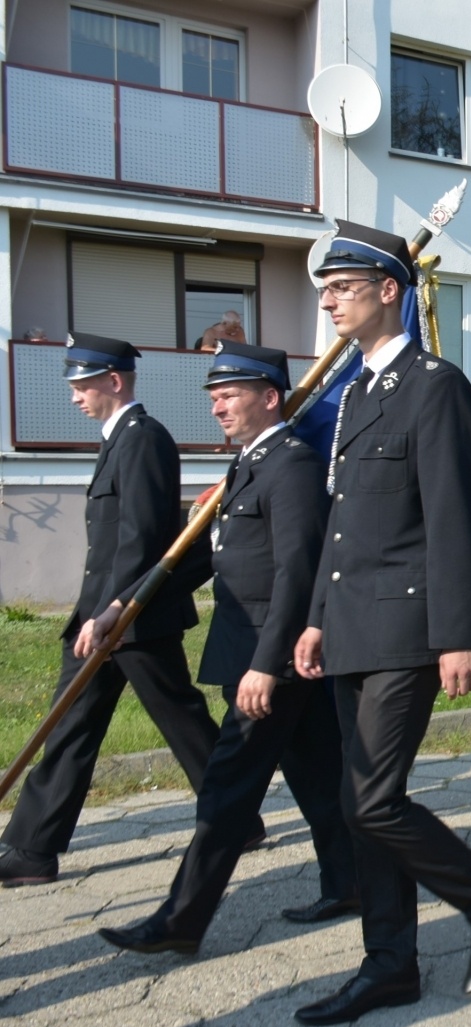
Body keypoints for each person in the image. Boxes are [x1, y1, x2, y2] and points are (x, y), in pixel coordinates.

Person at [292, 220, 471, 1024]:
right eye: (325, 290)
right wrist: (318, 617)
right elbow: (342, 523)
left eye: (344, 287)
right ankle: (389, 963)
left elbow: (462, 517)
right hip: (351, 626)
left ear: (391, 291)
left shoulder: (435, 385)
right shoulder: (353, 392)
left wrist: (462, 633)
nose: (328, 301)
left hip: (410, 628)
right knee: (363, 803)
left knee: (371, 802)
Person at [95, 342, 358, 955]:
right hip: (268, 655)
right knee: (320, 777)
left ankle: (181, 920)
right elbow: (202, 562)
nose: (217, 407)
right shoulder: (250, 465)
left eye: (229, 395)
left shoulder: (289, 465)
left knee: (226, 789)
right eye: (212, 397)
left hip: (272, 660)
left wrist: (265, 666)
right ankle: (351, 884)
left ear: (269, 398)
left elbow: (298, 572)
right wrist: (121, 604)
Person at [0, 333, 255, 887]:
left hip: (130, 619)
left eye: (82, 386)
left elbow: (140, 538)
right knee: (73, 724)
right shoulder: (121, 440)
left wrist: (112, 611)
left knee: (180, 720)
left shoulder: (143, 440)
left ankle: (237, 815)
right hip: (107, 617)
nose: (74, 398)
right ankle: (31, 849)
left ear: (113, 381)